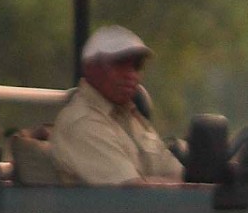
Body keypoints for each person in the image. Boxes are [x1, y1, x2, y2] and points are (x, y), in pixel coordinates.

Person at [47, 23, 173, 185]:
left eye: (137, 65)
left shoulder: (133, 118)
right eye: (120, 63)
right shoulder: (82, 122)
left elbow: (179, 173)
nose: (131, 74)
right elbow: (134, 193)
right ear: (90, 68)